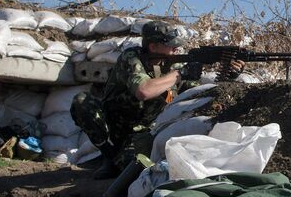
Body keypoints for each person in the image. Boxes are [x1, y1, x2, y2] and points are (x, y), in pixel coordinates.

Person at [71, 21, 244, 179]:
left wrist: (229, 76)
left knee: (140, 170)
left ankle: (121, 159)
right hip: (117, 130)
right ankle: (110, 157)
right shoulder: (132, 58)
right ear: (153, 46)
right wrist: (180, 74)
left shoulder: (171, 65)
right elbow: (144, 91)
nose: (176, 50)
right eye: (171, 46)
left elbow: (197, 94)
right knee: (82, 102)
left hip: (147, 135)